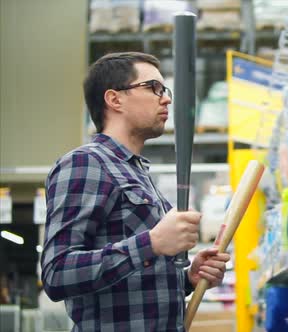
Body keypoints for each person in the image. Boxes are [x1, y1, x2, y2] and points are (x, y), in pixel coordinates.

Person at [41, 52, 230, 331]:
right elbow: (58, 273)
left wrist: (189, 278)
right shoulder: (86, 163)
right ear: (115, 99)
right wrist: (150, 243)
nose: (166, 98)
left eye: (164, 90)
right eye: (153, 88)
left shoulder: (138, 173)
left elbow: (137, 285)